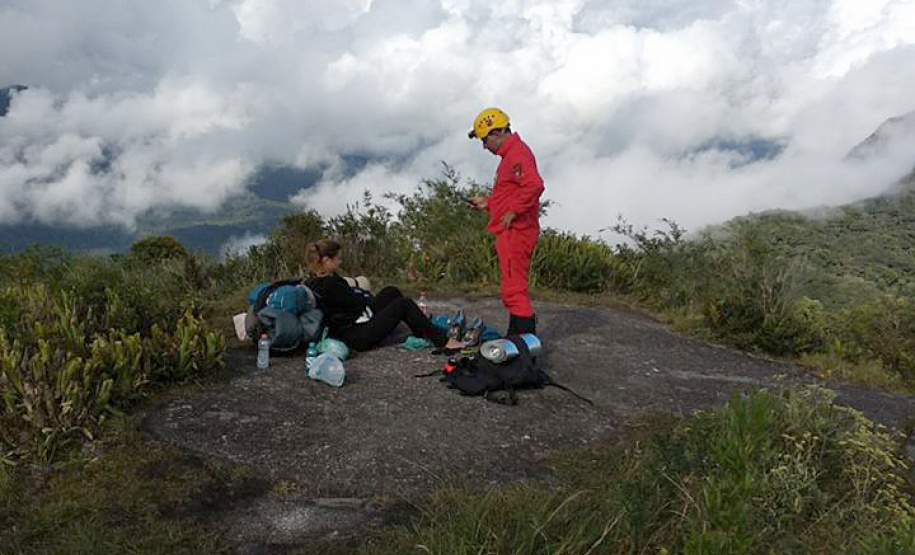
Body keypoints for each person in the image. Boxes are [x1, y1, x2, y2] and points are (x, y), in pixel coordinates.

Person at [305, 239, 467, 352]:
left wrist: (360, 295)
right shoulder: (330, 284)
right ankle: (444, 342)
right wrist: (362, 294)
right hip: (355, 335)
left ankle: (422, 332)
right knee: (403, 304)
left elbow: (353, 302)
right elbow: (358, 303)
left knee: (391, 291)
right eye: (338, 259)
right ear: (326, 260)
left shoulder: (314, 280)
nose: (340, 262)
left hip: (352, 322)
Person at [467, 107, 544, 335]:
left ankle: (521, 345)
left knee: (514, 291)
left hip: (517, 231)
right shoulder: (511, 155)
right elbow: (513, 192)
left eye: (484, 140)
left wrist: (513, 212)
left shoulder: (517, 154)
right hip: (511, 230)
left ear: (497, 132)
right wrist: (488, 202)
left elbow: (535, 185)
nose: (484, 146)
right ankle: (518, 340)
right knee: (512, 289)